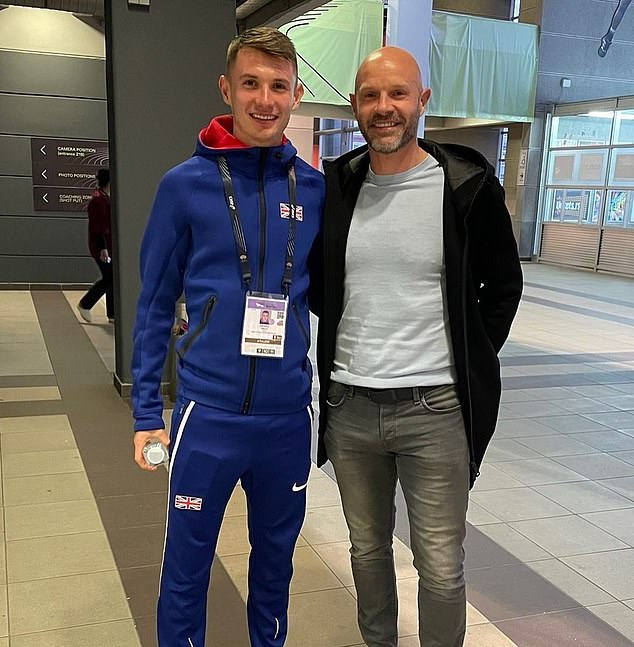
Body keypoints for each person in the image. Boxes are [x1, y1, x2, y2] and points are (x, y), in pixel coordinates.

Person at [315, 47, 522, 647]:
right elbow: (325, 286)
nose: (385, 108)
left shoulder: (464, 186)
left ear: (421, 101)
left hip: (435, 410)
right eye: (371, 96)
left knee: (439, 564)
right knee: (367, 550)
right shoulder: (339, 186)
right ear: (355, 104)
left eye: (397, 94)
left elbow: (502, 285)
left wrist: (471, 356)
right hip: (350, 405)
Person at [131, 27, 324, 647]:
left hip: (286, 420)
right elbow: (156, 303)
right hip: (207, 415)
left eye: (278, 86)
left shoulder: (316, 191)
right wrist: (145, 414)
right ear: (226, 89)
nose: (264, 100)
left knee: (274, 571)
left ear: (295, 94)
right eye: (250, 84)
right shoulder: (184, 184)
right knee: (185, 573)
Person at [78, 168, 113, 323]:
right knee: (109, 278)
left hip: (108, 246)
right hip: (101, 247)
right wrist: (103, 248)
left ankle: (113, 314)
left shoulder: (104, 197)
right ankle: (85, 304)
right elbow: (99, 226)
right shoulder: (98, 200)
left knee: (113, 279)